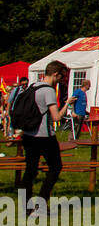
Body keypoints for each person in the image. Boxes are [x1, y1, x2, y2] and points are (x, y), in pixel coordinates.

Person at [18, 61, 70, 207]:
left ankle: (25, 205)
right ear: (55, 74)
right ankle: (41, 202)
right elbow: (56, 117)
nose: (61, 80)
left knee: (30, 171)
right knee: (55, 167)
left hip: (28, 134)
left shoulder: (33, 85)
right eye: (61, 77)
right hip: (44, 136)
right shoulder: (48, 91)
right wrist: (67, 104)